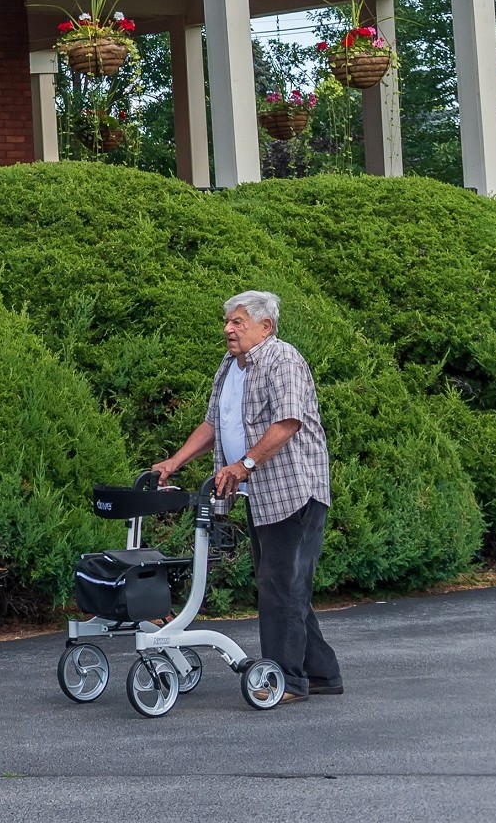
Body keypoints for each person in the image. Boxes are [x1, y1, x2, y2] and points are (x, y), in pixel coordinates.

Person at [146, 290, 341, 704]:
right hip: (262, 493)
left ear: (265, 326)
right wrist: (174, 463)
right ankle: (322, 673)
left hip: (295, 489)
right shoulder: (230, 366)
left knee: (281, 586)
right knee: (282, 584)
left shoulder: (282, 359)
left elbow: (287, 422)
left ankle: (287, 680)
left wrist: (244, 465)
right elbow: (212, 423)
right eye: (228, 322)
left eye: (238, 322)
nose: (228, 329)